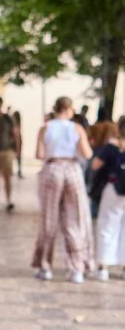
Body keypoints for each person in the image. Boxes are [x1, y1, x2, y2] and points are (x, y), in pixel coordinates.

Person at [33, 96, 95, 283]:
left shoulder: (45, 128)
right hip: (72, 170)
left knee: (49, 218)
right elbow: (87, 153)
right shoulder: (76, 128)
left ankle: (45, 267)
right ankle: (76, 268)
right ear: (69, 110)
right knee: (75, 218)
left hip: (52, 169)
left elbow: (39, 154)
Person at [90, 124, 124, 281]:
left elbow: (95, 164)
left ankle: (103, 267)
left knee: (107, 225)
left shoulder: (112, 146)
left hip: (113, 188)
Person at [12, 109, 25, 179]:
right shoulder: (14, 124)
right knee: (17, 157)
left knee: (18, 157)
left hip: (17, 141)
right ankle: (18, 171)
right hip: (16, 141)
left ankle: (19, 171)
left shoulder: (16, 124)